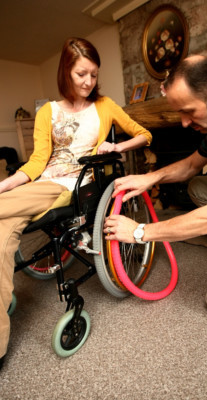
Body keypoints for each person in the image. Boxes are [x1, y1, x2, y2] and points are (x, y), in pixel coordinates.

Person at [0, 37, 152, 371]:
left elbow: (144, 134)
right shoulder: (46, 112)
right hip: (43, 184)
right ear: (65, 73)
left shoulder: (106, 106)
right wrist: (5, 185)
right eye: (82, 74)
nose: (88, 82)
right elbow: (36, 163)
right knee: (1, 237)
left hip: (75, 185)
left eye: (93, 75)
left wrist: (116, 148)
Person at [104, 55, 207, 323]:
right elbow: (192, 165)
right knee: (199, 186)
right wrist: (150, 178)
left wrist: (139, 232)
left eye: (188, 111)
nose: (183, 122)